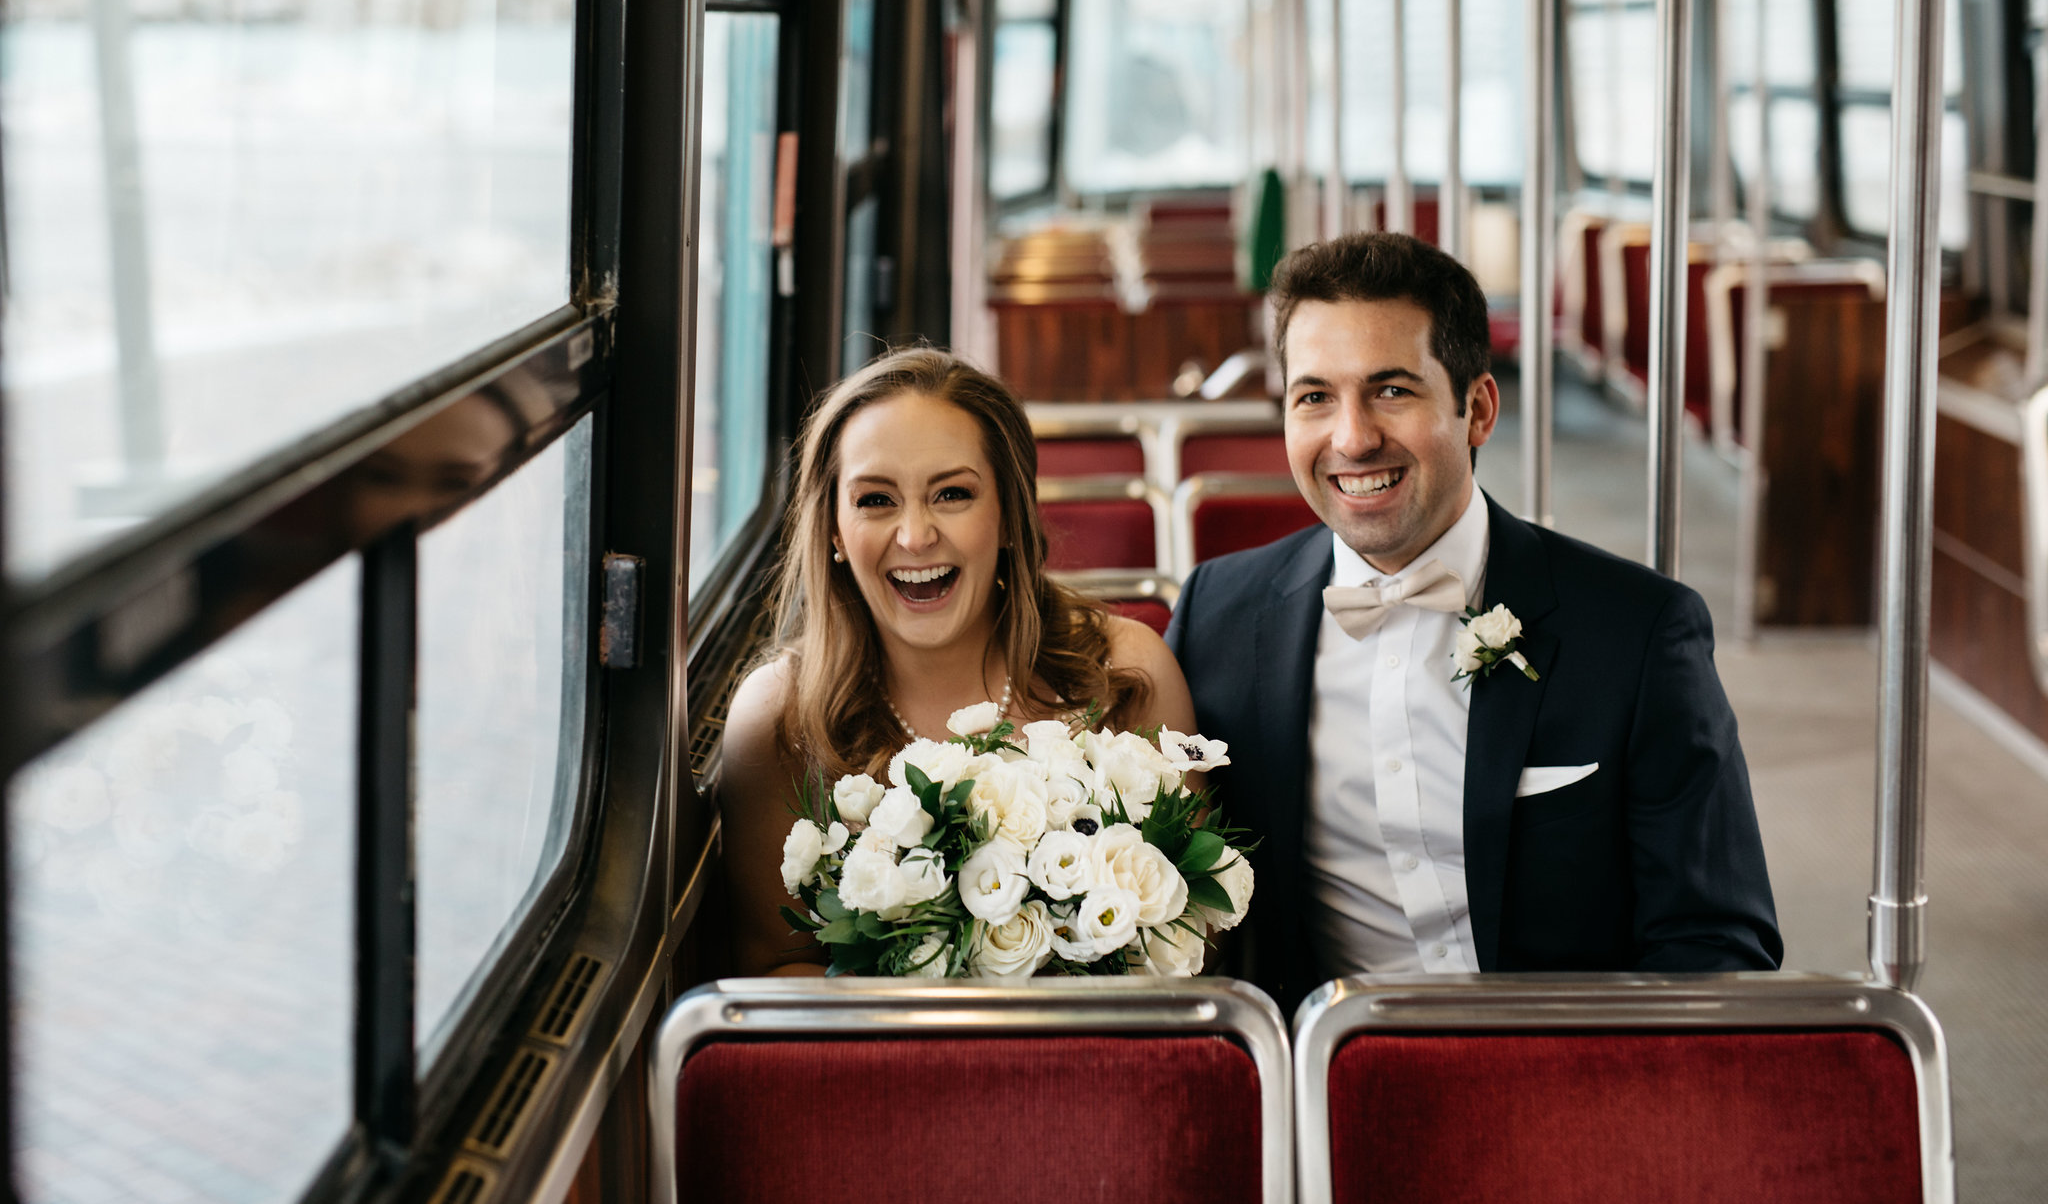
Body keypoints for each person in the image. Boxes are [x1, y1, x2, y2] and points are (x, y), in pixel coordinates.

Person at [1165, 232, 1780, 1012]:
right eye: (1314, 396)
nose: (1351, 438)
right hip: (1321, 1092)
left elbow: (1719, 944)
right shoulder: (1218, 615)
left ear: (1478, 409)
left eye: (1392, 390)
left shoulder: (1638, 634)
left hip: (1566, 1086)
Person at [720, 347, 1197, 976]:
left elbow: (1189, 945)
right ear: (834, 530)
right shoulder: (777, 716)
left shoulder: (1128, 677)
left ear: (1007, 516)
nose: (915, 536)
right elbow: (778, 972)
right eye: (875, 501)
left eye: (951, 494)